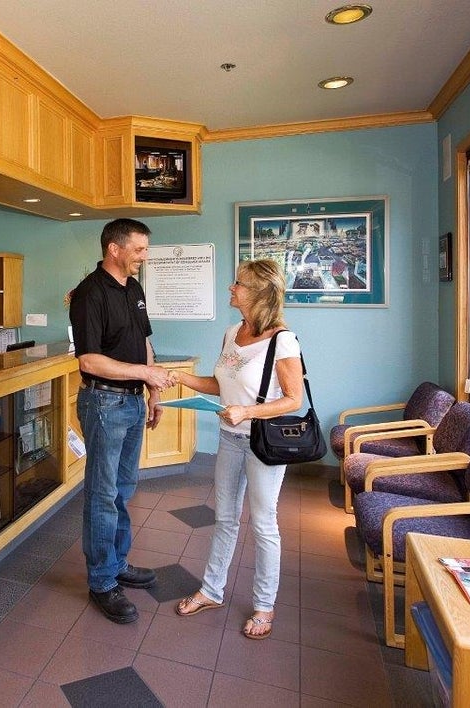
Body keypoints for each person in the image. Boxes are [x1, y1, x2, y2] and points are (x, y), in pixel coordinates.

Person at [171, 259, 303, 640]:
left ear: (259, 293)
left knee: (263, 524)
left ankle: (264, 605)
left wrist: (247, 411)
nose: (231, 288)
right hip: (229, 439)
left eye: (239, 283)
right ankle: (212, 591)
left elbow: (293, 399)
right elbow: (221, 384)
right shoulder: (231, 333)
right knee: (225, 519)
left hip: (262, 443)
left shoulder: (283, 340)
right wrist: (181, 378)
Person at [69, 218, 176, 624]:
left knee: (123, 489)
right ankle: (101, 581)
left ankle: (116, 563)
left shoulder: (133, 288)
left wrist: (153, 391)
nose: (144, 257)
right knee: (102, 493)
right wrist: (145, 374)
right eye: (139, 249)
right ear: (114, 249)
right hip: (104, 403)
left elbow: (143, 341)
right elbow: (89, 360)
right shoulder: (88, 294)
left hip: (132, 402)